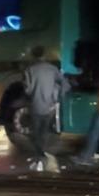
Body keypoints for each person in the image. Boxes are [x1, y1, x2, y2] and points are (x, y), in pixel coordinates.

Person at [22, 45, 67, 173]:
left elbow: (28, 90)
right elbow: (64, 84)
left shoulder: (29, 70)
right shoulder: (53, 69)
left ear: (33, 55)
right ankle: (43, 154)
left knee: (36, 132)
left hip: (36, 106)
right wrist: (58, 97)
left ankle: (40, 156)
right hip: (49, 106)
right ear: (44, 55)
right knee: (45, 131)